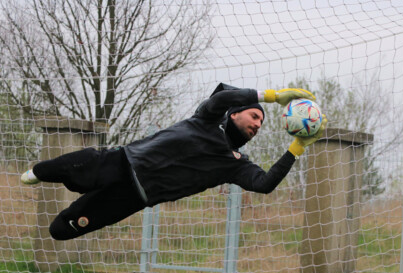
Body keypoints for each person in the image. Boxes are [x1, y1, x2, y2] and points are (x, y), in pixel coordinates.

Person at [21, 83, 327, 240]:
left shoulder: (235, 163)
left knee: (61, 229)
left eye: (262, 123)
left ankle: (66, 197)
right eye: (254, 115)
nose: (258, 124)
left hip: (133, 198)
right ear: (235, 113)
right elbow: (220, 99)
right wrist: (272, 96)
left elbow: (265, 184)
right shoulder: (207, 118)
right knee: (73, 166)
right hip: (122, 162)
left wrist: (297, 146)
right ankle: (38, 170)